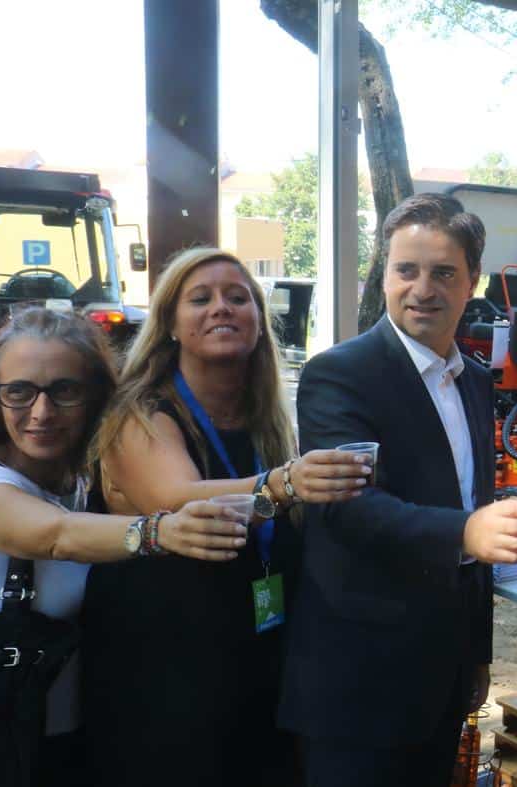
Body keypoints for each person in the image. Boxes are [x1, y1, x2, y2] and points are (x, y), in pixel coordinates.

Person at [278, 194, 517, 787]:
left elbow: (471, 507)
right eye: (407, 270)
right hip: (359, 681)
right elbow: (349, 512)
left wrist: (476, 653)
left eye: (443, 273)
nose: (422, 289)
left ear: (471, 281)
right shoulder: (339, 374)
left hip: (442, 678)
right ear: (385, 275)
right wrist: (468, 532)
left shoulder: (475, 382)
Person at [82, 248, 373, 786]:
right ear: (169, 323)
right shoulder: (141, 413)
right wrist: (285, 484)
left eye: (238, 298)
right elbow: (181, 499)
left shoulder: (270, 424)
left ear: (260, 324)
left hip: (253, 669)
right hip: (159, 679)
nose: (221, 308)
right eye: (201, 299)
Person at [0, 307, 248, 787]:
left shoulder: (89, 478)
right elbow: (57, 535)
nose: (41, 413)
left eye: (64, 391)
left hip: (79, 740)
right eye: (19, 391)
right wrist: (156, 532)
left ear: (95, 397)